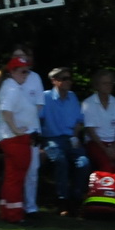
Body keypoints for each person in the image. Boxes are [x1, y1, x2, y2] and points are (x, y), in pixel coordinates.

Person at [0, 57, 39, 222]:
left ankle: (7, 211)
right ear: (11, 71)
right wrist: (16, 130)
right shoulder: (12, 88)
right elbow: (6, 111)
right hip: (15, 140)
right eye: (22, 71)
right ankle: (15, 215)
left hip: (13, 138)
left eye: (27, 71)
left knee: (11, 176)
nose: (26, 75)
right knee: (17, 178)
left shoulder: (11, 86)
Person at [39, 67, 86, 214]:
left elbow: (79, 121)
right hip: (51, 139)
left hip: (70, 138)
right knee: (61, 161)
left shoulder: (73, 97)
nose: (68, 81)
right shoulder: (45, 97)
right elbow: (37, 120)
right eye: (64, 78)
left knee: (84, 162)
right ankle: (62, 201)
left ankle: (76, 200)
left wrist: (75, 136)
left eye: (69, 78)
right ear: (54, 81)